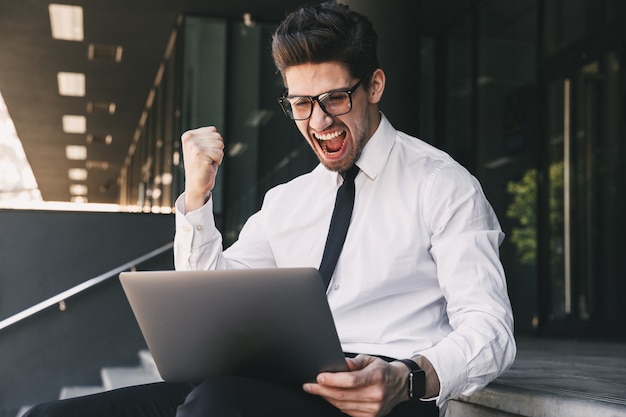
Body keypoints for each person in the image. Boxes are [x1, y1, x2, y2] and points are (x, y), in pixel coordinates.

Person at [25, 1, 515, 417]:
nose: (318, 121)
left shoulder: (442, 184)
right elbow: (209, 299)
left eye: (335, 98)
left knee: (215, 404)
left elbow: (491, 329)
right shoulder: (288, 200)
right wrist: (196, 198)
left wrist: (409, 377)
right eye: (301, 103)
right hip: (277, 387)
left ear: (375, 86)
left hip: (382, 401)